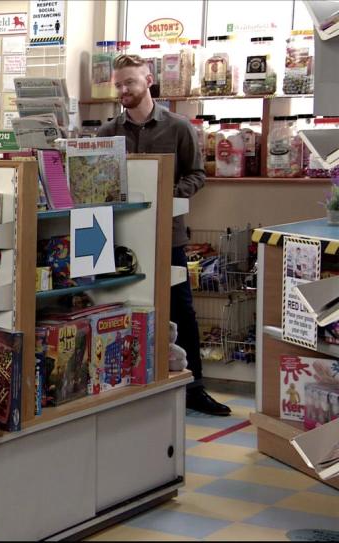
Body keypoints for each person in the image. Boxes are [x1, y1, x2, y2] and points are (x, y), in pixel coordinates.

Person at [97, 54, 231, 417]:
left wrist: (171, 195)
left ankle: (194, 388)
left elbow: (197, 175)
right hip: (120, 237)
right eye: (119, 84)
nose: (124, 90)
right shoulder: (107, 133)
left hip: (167, 235)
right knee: (122, 307)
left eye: (130, 82)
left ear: (149, 80)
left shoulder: (178, 127)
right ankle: (127, 383)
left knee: (182, 311)